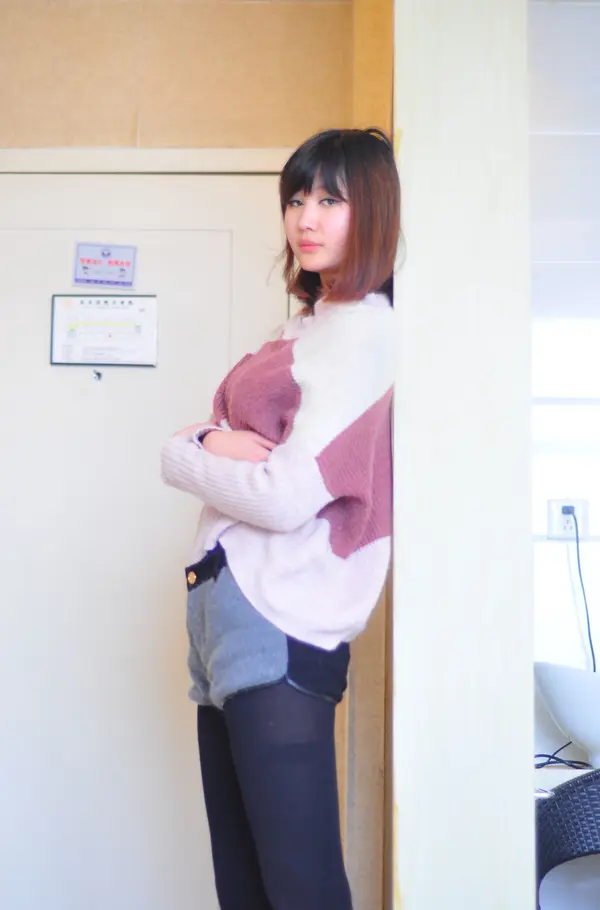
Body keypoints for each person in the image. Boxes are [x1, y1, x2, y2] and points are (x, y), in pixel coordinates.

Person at [161, 127, 400, 910]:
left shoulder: (364, 331)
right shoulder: (303, 328)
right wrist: (214, 442)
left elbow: (285, 495)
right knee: (244, 886)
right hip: (224, 611)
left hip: (280, 613)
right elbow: (245, 459)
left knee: (300, 887)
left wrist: (187, 450)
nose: (306, 217)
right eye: (297, 199)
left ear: (374, 210)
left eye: (331, 199)